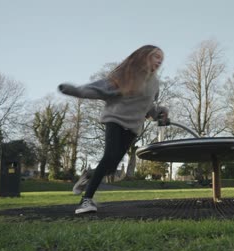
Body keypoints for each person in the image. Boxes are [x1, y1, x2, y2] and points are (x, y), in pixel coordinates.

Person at [58, 45, 168, 214]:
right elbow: (101, 89)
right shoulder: (126, 74)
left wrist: (159, 112)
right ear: (144, 56)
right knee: (108, 157)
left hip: (133, 127)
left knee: (111, 166)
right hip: (115, 119)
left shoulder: (155, 84)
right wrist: (77, 91)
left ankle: (89, 174)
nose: (159, 60)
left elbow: (148, 107)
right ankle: (86, 201)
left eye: (161, 58)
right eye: (156, 56)